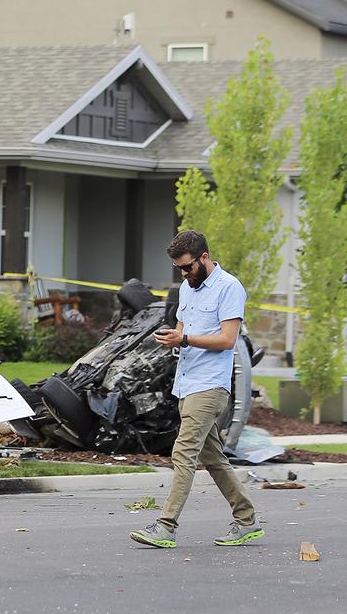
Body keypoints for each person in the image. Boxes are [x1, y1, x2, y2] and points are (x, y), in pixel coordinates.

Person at [129, 229, 262, 549]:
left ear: (204, 257)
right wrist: (172, 337)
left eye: (187, 266)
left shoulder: (229, 288)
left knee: (183, 452)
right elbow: (183, 328)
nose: (184, 273)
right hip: (186, 383)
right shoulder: (188, 288)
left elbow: (228, 340)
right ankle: (247, 519)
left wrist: (185, 339)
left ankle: (166, 526)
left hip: (210, 387)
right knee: (214, 458)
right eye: (178, 269)